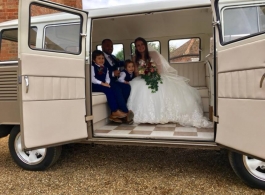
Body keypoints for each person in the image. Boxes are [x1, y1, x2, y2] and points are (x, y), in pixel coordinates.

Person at [127, 37, 213, 128]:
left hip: (155, 76)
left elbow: (159, 70)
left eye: (142, 44)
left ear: (145, 44)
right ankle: (137, 115)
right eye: (138, 46)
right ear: (136, 47)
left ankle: (160, 115)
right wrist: (143, 74)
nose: (140, 47)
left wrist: (151, 74)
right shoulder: (135, 57)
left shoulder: (153, 54)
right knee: (136, 86)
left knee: (156, 88)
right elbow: (136, 72)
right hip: (141, 78)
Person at [101, 39, 134, 123]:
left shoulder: (112, 57)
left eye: (111, 46)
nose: (110, 48)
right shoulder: (100, 57)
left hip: (115, 80)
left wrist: (132, 61)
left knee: (127, 87)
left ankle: (119, 111)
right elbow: (101, 71)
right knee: (118, 89)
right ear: (102, 46)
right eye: (107, 45)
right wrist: (112, 73)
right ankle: (126, 113)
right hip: (106, 81)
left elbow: (120, 63)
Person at [91, 50, 127, 122]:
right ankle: (114, 111)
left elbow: (107, 78)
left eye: (102, 58)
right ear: (94, 60)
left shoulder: (105, 68)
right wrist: (102, 83)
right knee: (108, 90)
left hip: (104, 84)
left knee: (112, 89)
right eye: (99, 58)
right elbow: (92, 79)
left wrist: (107, 83)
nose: (101, 60)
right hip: (95, 85)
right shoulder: (92, 67)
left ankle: (115, 113)